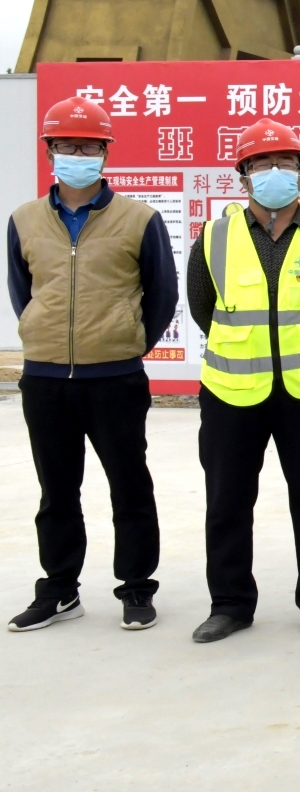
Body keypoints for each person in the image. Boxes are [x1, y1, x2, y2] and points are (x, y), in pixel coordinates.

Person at [185, 119, 300, 642]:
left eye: (285, 162)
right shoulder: (214, 236)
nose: (274, 172)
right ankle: (230, 604)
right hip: (231, 393)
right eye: (262, 164)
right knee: (227, 502)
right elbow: (202, 307)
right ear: (243, 175)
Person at [6, 97, 177, 634]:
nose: (77, 155)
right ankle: (60, 589)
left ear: (105, 153)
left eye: (88, 147)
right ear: (49, 152)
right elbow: (23, 292)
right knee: (56, 491)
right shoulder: (24, 220)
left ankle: (136, 587)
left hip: (115, 377)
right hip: (45, 378)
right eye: (66, 146)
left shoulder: (139, 218)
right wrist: (45, 334)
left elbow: (162, 294)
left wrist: (125, 341)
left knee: (129, 486)